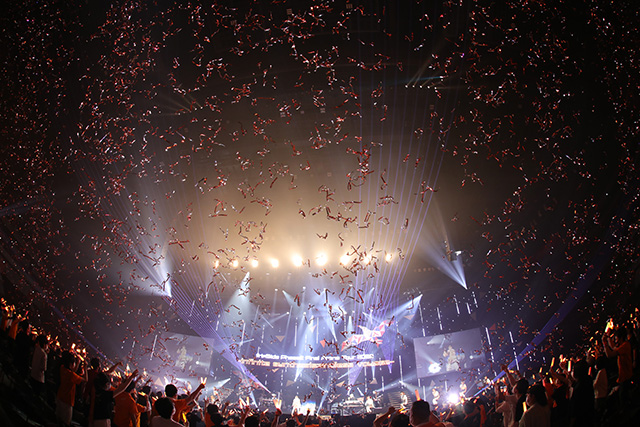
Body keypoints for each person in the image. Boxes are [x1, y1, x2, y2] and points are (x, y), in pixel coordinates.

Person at [56, 351, 88, 426]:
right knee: (65, 423)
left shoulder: (62, 368)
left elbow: (72, 371)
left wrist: (78, 363)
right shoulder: (72, 376)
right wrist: (85, 368)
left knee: (58, 420)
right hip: (67, 402)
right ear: (70, 364)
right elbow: (85, 380)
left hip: (60, 397)